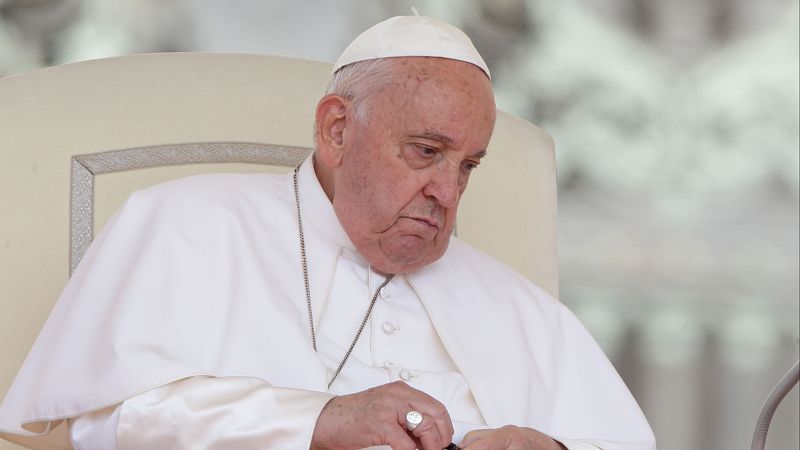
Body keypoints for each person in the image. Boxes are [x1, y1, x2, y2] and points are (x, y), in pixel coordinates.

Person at [0, 15, 656, 450]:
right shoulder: (189, 224)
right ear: (337, 130)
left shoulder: (522, 309)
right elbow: (112, 424)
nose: (449, 193)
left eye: (469, 166)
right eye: (426, 152)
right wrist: (318, 421)